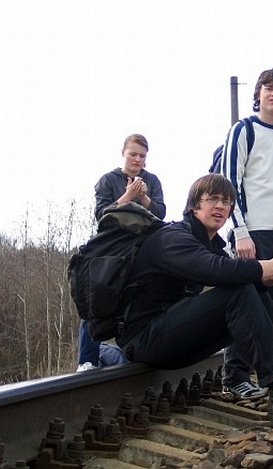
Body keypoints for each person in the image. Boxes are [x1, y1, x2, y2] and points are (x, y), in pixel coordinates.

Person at [115, 173, 273, 429]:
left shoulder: (206, 242)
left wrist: (267, 279)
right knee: (239, 290)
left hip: (166, 334)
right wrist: (265, 267)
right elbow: (214, 269)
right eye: (212, 199)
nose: (220, 206)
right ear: (194, 205)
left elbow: (234, 275)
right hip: (144, 340)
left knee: (252, 290)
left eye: (226, 201)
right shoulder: (172, 238)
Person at [219, 67, 273, 399]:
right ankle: (235, 375)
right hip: (254, 231)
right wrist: (240, 231)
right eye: (269, 87)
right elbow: (230, 182)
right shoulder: (243, 130)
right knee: (249, 303)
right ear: (258, 94)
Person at [77, 134, 166, 371]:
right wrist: (128, 196)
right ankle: (87, 360)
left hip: (142, 248)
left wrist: (143, 196)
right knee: (96, 298)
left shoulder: (152, 181)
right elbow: (101, 215)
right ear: (123, 153)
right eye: (133, 154)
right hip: (112, 248)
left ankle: (132, 354)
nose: (138, 159)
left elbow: (160, 214)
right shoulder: (107, 180)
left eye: (142, 156)